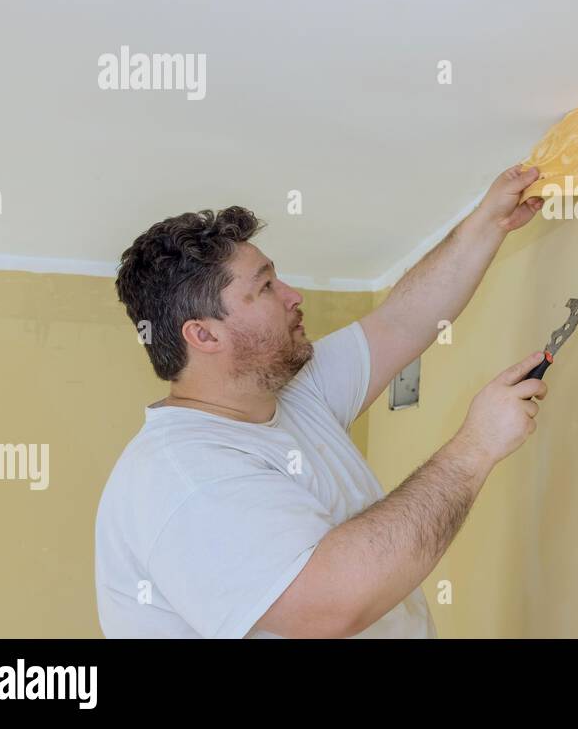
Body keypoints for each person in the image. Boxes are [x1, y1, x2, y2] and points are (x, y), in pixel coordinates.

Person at [95, 164, 548, 637]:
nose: (294, 296)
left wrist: (487, 223)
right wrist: (476, 446)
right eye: (265, 287)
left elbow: (402, 321)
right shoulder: (182, 475)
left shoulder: (289, 392)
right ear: (204, 334)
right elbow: (330, 607)